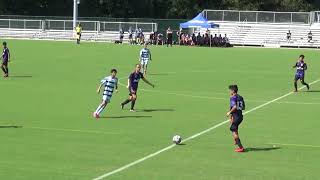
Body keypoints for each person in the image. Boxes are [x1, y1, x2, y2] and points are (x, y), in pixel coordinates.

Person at [226, 85, 245, 152]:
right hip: (240, 116)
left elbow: (234, 107)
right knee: (235, 127)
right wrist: (232, 116)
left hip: (236, 117)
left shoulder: (233, 98)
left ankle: (241, 147)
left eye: (230, 90)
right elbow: (243, 107)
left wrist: (229, 113)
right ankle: (236, 141)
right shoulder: (240, 97)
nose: (229, 91)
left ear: (233, 91)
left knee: (233, 130)